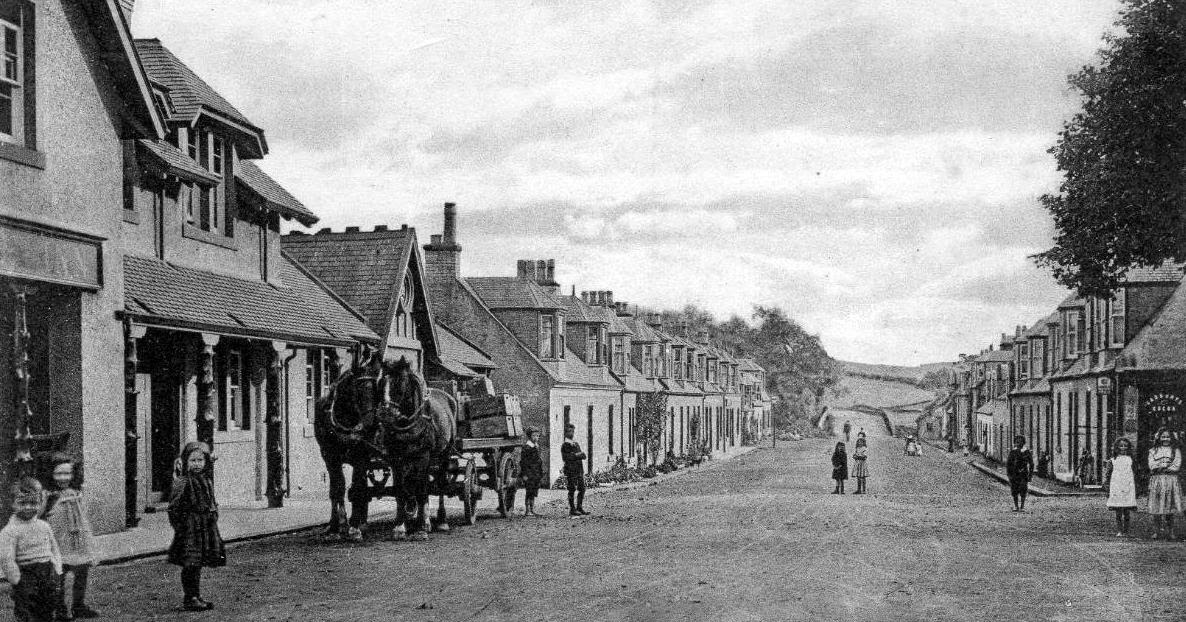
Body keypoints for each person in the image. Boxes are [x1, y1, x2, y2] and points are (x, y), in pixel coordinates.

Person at [167, 441, 225, 611]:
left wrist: (213, 514)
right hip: (190, 529)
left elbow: (211, 500)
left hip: (204, 526)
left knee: (198, 562)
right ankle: (190, 597)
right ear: (186, 462)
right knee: (190, 562)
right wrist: (181, 527)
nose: (197, 464)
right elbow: (174, 508)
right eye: (193, 461)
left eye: (200, 460)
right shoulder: (183, 482)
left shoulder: (206, 480)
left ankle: (196, 594)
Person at [43, 453, 98, 620]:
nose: (63, 478)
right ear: (51, 475)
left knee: (82, 570)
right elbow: (42, 515)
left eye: (67, 473)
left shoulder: (76, 491)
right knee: (60, 572)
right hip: (59, 537)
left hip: (78, 536)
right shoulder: (49, 495)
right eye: (58, 474)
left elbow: (82, 512)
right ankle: (60, 609)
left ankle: (78, 605)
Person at [0, 477, 62, 622]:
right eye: (22, 503)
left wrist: (57, 568)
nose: (28, 507)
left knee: (48, 606)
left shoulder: (43, 526)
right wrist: (16, 579)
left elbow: (54, 548)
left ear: (40, 503)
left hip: (46, 570)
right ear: (13, 504)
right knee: (27, 611)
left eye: (33, 503)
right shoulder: (10, 531)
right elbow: (6, 557)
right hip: (25, 573)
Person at [1147, 428, 1183, 540]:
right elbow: (1151, 464)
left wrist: (1167, 468)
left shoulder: (1175, 451)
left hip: (1170, 480)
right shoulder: (1153, 450)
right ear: (1159, 437)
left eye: (1168, 437)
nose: (1165, 439)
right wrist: (1158, 467)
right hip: (1157, 480)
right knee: (1157, 507)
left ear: (1172, 438)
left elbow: (1177, 464)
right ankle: (1156, 531)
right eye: (1163, 436)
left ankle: (1171, 531)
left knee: (1169, 507)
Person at [1103, 438, 1137, 537]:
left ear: (1128, 447)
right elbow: (1108, 474)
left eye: (1125, 446)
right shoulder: (1113, 460)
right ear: (1117, 447)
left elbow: (1135, 473)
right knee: (1118, 511)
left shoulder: (1131, 459)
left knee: (1127, 511)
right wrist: (1107, 486)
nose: (1123, 448)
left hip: (1128, 486)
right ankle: (1119, 530)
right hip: (1116, 486)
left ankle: (1126, 530)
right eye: (1121, 446)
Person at [560, 424, 589, 516]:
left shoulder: (576, 444)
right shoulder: (565, 445)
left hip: (579, 469)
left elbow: (584, 455)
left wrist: (577, 455)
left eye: (572, 431)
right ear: (565, 433)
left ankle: (579, 507)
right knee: (572, 489)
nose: (571, 433)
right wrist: (577, 455)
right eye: (569, 431)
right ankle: (572, 509)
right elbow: (566, 457)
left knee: (582, 488)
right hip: (571, 470)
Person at [1006, 435, 1034, 512]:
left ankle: (1022, 506)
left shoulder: (1027, 452)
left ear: (1023, 443)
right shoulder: (1013, 452)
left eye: (1021, 442)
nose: (1019, 444)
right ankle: (1016, 506)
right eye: (1017, 442)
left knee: (1023, 489)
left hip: (1023, 474)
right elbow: (1008, 464)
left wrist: (1030, 475)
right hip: (1014, 474)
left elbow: (1031, 464)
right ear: (1015, 443)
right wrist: (1009, 475)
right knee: (1014, 489)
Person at [520, 427, 544, 517]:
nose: (536, 438)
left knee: (534, 491)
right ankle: (527, 510)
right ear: (529, 436)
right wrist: (524, 475)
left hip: (536, 473)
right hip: (529, 473)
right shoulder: (527, 447)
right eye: (534, 436)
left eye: (537, 436)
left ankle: (532, 509)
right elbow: (523, 463)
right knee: (529, 491)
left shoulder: (536, 446)